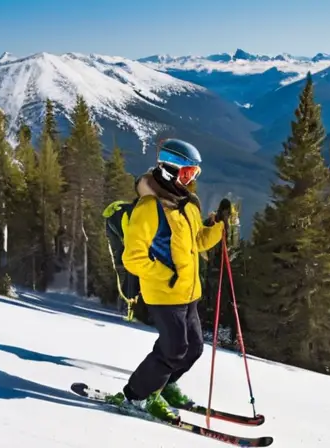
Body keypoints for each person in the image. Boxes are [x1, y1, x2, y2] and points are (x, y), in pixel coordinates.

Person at [105, 138, 236, 422]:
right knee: (174, 350)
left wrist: (218, 226)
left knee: (194, 349)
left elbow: (196, 241)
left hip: (188, 292)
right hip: (164, 294)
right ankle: (137, 396)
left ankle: (164, 386)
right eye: (187, 173)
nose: (191, 180)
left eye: (194, 174)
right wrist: (168, 276)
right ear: (169, 170)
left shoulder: (186, 204)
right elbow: (133, 257)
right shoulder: (149, 208)